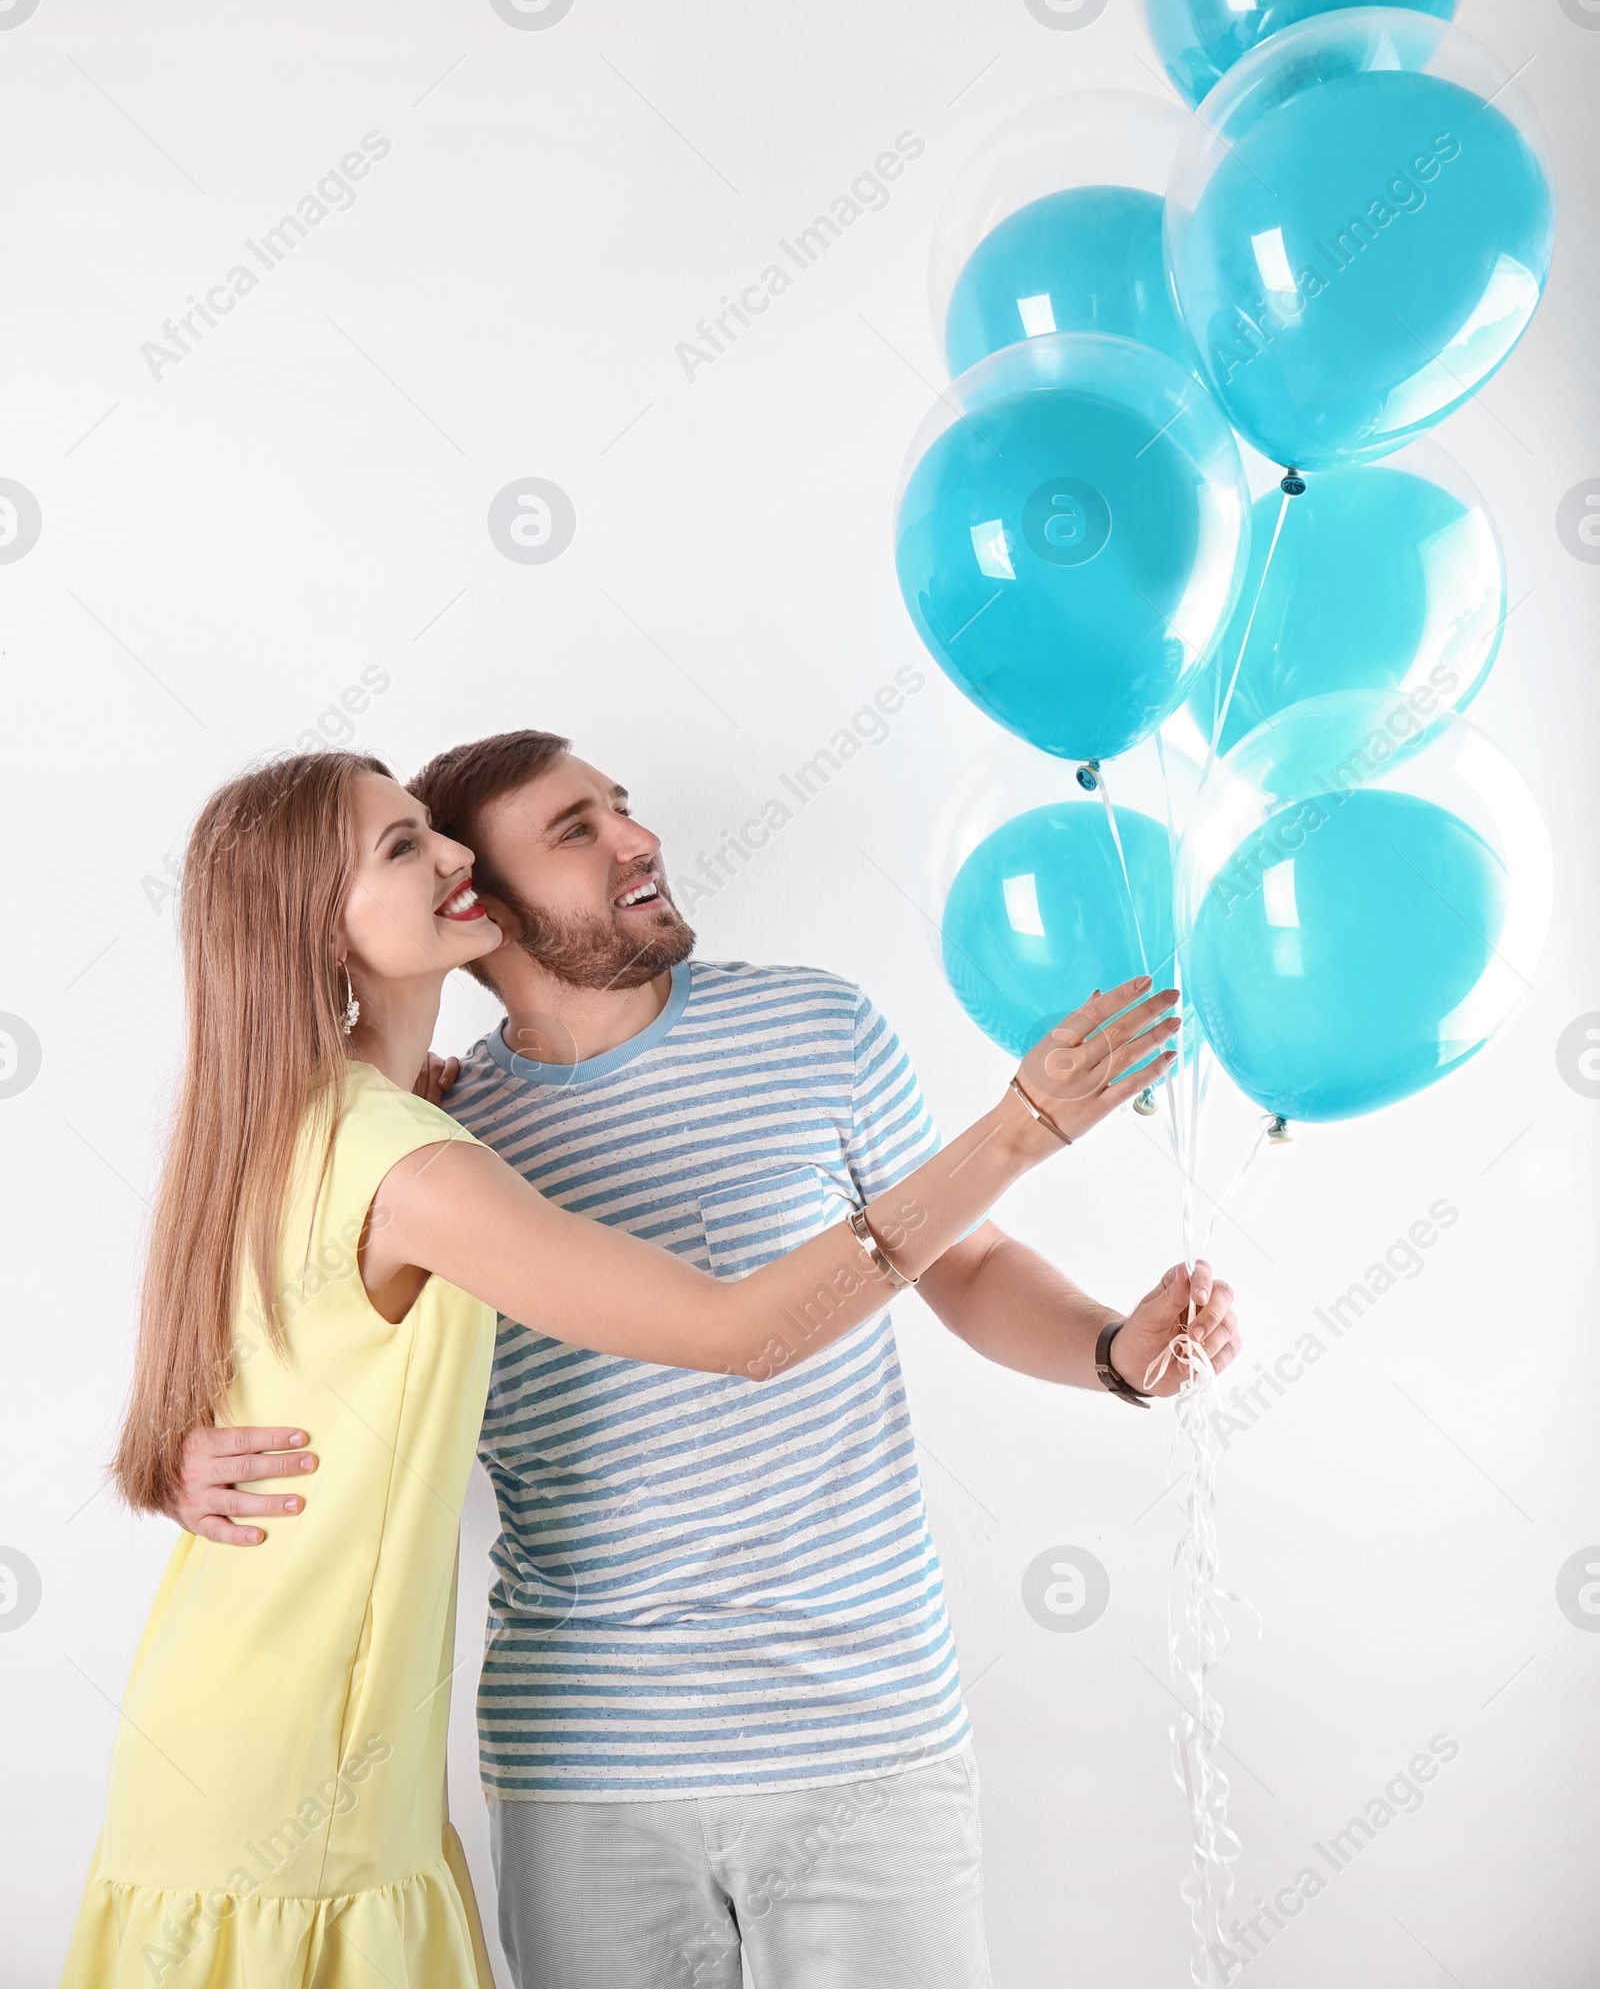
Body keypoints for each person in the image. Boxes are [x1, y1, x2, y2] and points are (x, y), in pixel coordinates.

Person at [65, 748, 1180, 1989]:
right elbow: (730, 1331)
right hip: (527, 1765)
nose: (635, 840)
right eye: (572, 830)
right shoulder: (430, 1142)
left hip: (837, 1728)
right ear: (475, 905)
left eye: (624, 806)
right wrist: (1020, 1125)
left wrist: (1109, 1350)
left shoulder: (787, 1034)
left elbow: (958, 1262)